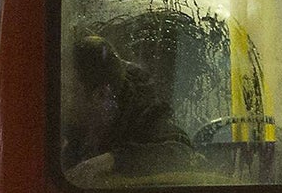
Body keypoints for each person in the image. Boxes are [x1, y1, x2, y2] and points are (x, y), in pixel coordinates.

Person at [63, 32, 203, 184]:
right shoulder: (67, 126)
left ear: (101, 94)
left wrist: (113, 160)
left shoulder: (143, 116)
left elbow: (181, 153)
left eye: (65, 89)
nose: (57, 96)